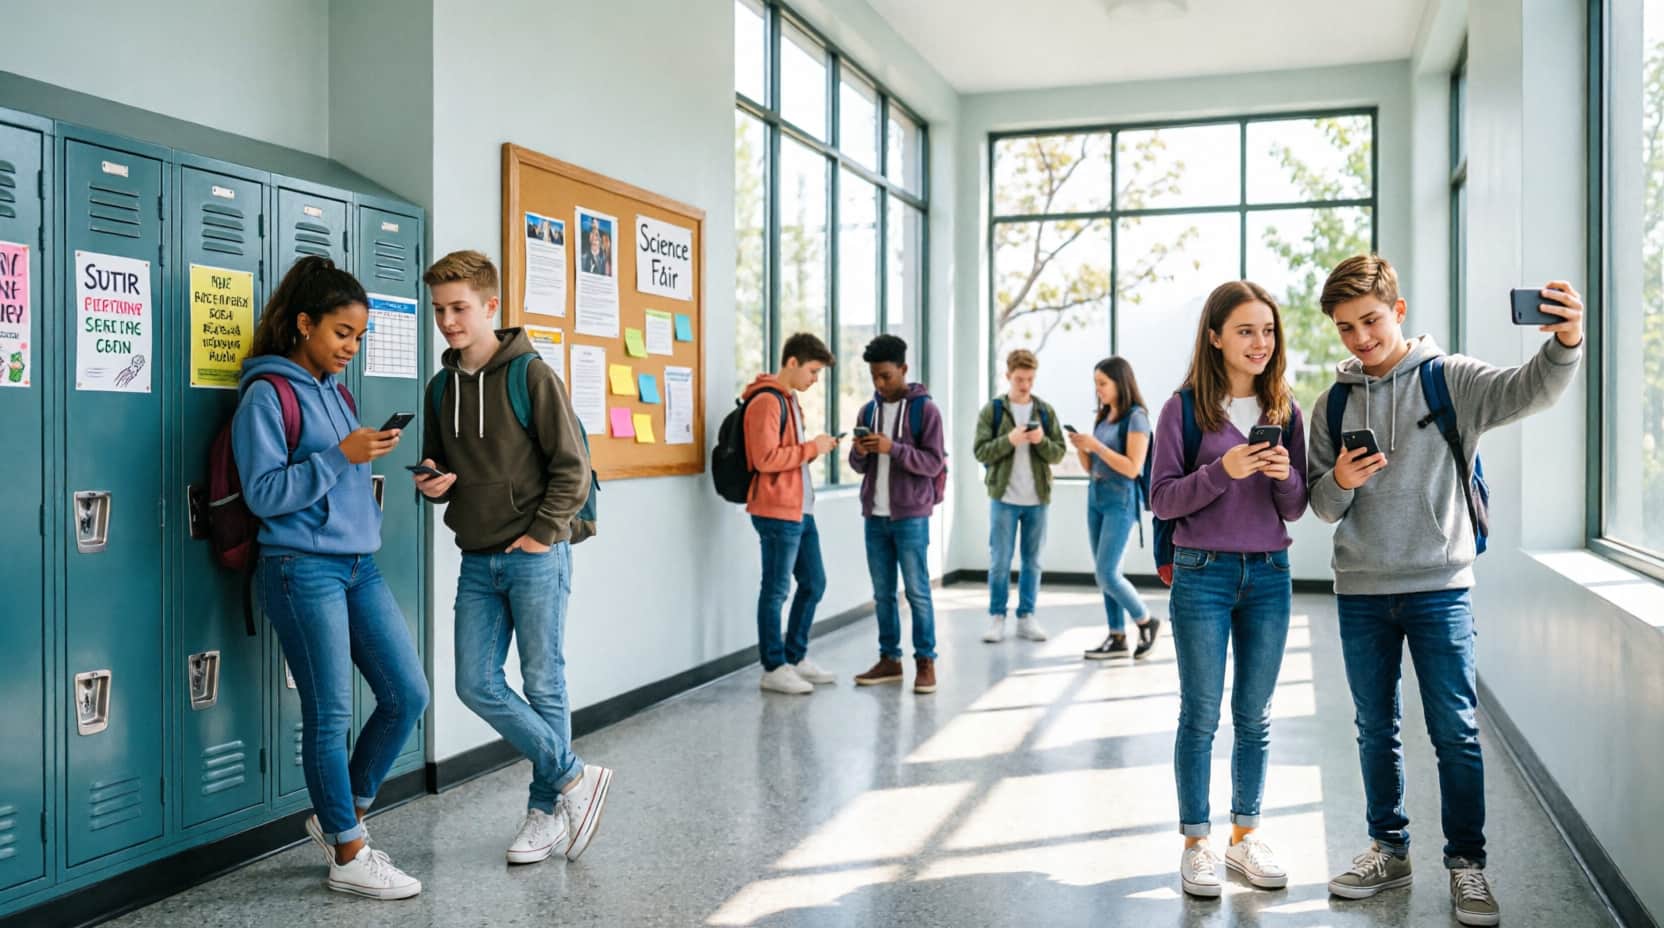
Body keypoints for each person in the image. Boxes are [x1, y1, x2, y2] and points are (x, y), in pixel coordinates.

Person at [1312, 256, 1583, 927]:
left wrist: (1567, 341)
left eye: (1370, 321)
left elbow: (1531, 390)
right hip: (1361, 590)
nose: (1360, 338)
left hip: (1440, 588)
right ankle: (1388, 849)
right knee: (1375, 729)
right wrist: (1342, 479)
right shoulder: (1333, 403)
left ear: (1398, 311)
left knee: (1455, 731)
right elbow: (1321, 505)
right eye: (1345, 327)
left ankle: (1467, 865)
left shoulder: (1449, 378)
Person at [232, 256, 428, 899]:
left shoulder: (338, 394)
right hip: (301, 568)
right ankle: (348, 853)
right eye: (342, 332)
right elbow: (264, 493)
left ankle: (346, 818)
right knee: (330, 713)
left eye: (359, 336)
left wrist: (363, 456)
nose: (351, 347)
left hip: (358, 565)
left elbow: (341, 475)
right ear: (303, 324)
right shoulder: (267, 395)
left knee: (407, 694)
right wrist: (340, 455)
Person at [414, 250, 612, 866]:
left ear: (490, 306)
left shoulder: (531, 376)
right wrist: (431, 482)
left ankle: (544, 811)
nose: (447, 321)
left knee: (543, 681)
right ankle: (574, 776)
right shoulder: (441, 387)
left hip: (535, 554)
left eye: (459, 308)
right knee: (474, 683)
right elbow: (438, 467)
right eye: (439, 310)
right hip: (477, 558)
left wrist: (542, 534)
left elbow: (572, 468)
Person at [1149, 280, 1308, 899]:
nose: (1259, 342)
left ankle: (1245, 837)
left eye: (1267, 331)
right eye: (1245, 331)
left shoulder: (1284, 410)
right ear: (1215, 337)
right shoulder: (1182, 409)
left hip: (1269, 574)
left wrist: (1284, 474)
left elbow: (1293, 508)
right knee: (1201, 714)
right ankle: (1197, 844)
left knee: (1255, 716)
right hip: (1202, 573)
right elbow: (1162, 500)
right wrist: (1222, 471)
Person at [848, 335, 947, 694]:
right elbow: (857, 466)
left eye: (886, 376)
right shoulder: (868, 412)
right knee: (882, 594)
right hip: (874, 516)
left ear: (903, 369)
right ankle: (889, 659)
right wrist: (861, 452)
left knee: (918, 591)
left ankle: (925, 661)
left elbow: (934, 463)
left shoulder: (925, 411)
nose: (879, 383)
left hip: (911, 518)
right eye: (874, 376)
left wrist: (894, 449)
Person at [743, 333, 840, 695]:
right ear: (792, 362)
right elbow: (765, 459)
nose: (815, 379)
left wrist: (814, 449)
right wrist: (812, 447)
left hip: (801, 509)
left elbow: (790, 457)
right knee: (776, 590)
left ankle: (795, 657)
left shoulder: (790, 401)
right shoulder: (766, 402)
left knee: (814, 582)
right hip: (777, 510)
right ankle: (773, 667)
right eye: (813, 371)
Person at [1068, 356, 1161, 660]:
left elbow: (1133, 467)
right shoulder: (1103, 417)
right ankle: (1116, 635)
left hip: (1121, 501)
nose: (1098, 390)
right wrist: (1082, 448)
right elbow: (1091, 466)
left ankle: (1146, 621)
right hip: (1095, 498)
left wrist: (1096, 446)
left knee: (1107, 573)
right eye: (1095, 383)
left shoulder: (1137, 418)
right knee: (1103, 572)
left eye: (1103, 383)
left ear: (1120, 383)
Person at [973, 348, 1067, 643]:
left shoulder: (1045, 411)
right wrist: (1009, 440)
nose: (1025, 385)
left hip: (1037, 500)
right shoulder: (993, 411)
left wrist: (1041, 441)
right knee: (1000, 561)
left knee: (1032, 562)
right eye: (1019, 379)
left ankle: (1026, 617)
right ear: (1008, 376)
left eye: (1030, 379)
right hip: (1003, 499)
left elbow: (1059, 453)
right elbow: (980, 451)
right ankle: (997, 617)